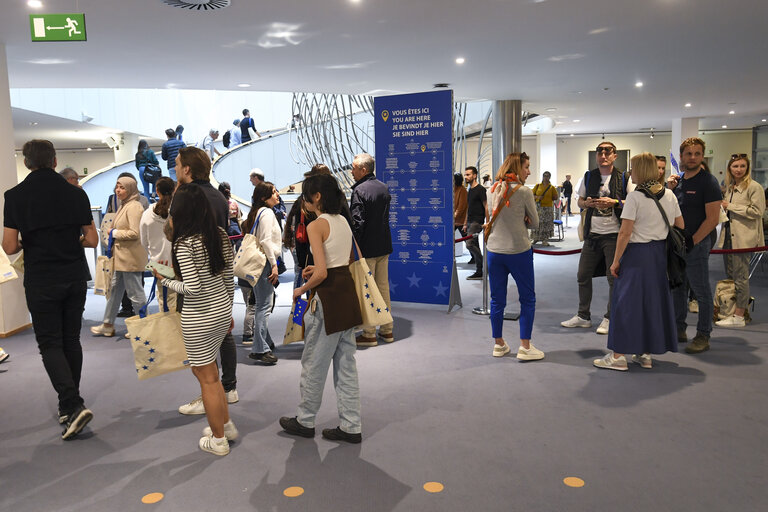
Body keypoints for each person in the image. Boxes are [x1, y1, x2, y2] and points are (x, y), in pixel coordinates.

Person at [3, 139, 99, 439]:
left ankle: (72, 402)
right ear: (55, 161)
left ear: (27, 162)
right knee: (71, 339)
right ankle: (69, 404)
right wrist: (72, 242)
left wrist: (30, 242)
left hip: (41, 278)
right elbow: (92, 240)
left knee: (49, 343)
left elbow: (9, 246)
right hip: (73, 275)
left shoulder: (15, 195)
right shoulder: (76, 194)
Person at [279, 173, 363, 443]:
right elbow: (342, 261)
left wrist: (301, 289)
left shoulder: (317, 225)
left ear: (317, 197)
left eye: (306, 194)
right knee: (346, 365)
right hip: (347, 295)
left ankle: (305, 420)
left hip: (326, 298)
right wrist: (319, 270)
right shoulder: (343, 223)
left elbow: (323, 273)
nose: (303, 200)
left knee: (314, 363)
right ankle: (351, 425)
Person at [154, 184, 236, 456]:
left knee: (208, 378)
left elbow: (193, 288)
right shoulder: (220, 235)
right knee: (210, 374)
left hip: (199, 317)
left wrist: (166, 281)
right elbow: (228, 278)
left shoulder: (185, 243)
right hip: (221, 311)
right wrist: (228, 310)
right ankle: (225, 425)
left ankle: (219, 439)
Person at [593, 153, 683, 371]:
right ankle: (645, 353)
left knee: (625, 303)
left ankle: (617, 356)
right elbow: (679, 224)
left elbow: (625, 233)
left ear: (641, 170)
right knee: (651, 303)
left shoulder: (635, 197)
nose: (630, 172)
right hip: (658, 256)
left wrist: (615, 262)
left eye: (633, 168)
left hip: (636, 255)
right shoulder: (669, 195)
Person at [173, 147, 240, 414]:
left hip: (197, 297)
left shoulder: (188, 201)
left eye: (178, 164)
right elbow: (226, 269)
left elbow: (191, 284)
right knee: (221, 342)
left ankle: (217, 417)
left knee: (205, 371)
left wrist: (167, 280)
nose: (176, 169)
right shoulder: (219, 197)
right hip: (219, 292)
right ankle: (228, 388)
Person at [561, 141, 629, 335]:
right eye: (600, 152)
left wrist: (614, 201)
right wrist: (588, 203)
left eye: (608, 151)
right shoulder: (589, 176)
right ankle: (583, 316)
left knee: (613, 278)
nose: (604, 155)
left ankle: (610, 317)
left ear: (615, 155)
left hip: (614, 235)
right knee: (583, 275)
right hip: (592, 234)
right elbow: (580, 201)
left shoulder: (624, 177)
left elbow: (632, 202)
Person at [485, 152, 544, 361]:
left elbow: (490, 217)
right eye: (526, 167)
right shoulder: (524, 192)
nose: (529, 171)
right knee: (527, 299)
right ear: (517, 168)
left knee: (496, 299)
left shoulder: (491, 190)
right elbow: (536, 223)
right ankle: (525, 347)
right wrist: (524, 219)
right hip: (519, 251)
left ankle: (498, 344)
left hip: (494, 251)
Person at [667, 138, 722, 353]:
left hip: (697, 244)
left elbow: (712, 219)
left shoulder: (708, 182)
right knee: (678, 288)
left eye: (697, 153)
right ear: (681, 156)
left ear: (702, 156)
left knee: (701, 291)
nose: (692, 157)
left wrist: (693, 241)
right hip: (677, 244)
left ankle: (703, 335)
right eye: (688, 154)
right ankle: (679, 328)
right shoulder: (678, 181)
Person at [90, 176, 148, 337]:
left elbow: (135, 232)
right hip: (122, 258)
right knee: (115, 291)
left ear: (130, 189)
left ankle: (144, 327)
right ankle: (108, 324)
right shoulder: (125, 205)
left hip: (130, 258)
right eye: (117, 187)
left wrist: (114, 232)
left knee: (136, 294)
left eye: (122, 187)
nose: (118, 190)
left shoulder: (134, 207)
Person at [715, 154, 765, 327]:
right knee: (731, 276)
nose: (739, 169)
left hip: (744, 238)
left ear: (747, 167)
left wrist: (731, 207)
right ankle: (733, 311)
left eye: (742, 166)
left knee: (741, 277)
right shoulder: (730, 187)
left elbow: (757, 211)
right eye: (735, 166)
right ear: (730, 168)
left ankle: (739, 316)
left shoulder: (754, 187)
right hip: (729, 235)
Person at [350, 153, 394, 346]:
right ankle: (387, 330)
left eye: (353, 168)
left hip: (366, 249)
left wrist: (354, 248)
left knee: (367, 289)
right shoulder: (384, 188)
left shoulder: (359, 191)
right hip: (384, 245)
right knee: (383, 288)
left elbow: (357, 223)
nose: (351, 171)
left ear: (363, 170)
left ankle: (369, 333)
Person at [242, 182, 282, 364]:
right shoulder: (266, 213)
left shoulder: (258, 213)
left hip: (261, 263)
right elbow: (266, 241)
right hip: (265, 263)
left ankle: (265, 341)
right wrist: (274, 265)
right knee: (264, 306)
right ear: (264, 197)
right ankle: (260, 348)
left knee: (262, 304)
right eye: (273, 192)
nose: (277, 194)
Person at [139, 176, 176, 312]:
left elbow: (143, 242)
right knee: (179, 301)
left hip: (159, 265)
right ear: (174, 190)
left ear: (157, 191)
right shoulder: (179, 211)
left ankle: (167, 331)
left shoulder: (147, 214)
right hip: (178, 263)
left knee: (163, 300)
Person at [463, 166, 487, 280]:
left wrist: (488, 223)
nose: (466, 177)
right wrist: (464, 223)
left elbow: (486, 206)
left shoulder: (481, 189)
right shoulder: (470, 190)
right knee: (475, 244)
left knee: (469, 244)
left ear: (475, 175)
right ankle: (479, 271)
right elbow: (469, 207)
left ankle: (484, 265)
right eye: (465, 174)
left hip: (477, 221)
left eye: (468, 174)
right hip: (470, 221)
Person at [531, 171, 560, 246]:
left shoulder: (552, 187)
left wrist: (553, 197)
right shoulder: (537, 186)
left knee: (546, 224)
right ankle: (535, 238)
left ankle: (545, 239)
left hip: (548, 208)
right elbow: (531, 195)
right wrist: (537, 197)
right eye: (544, 176)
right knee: (537, 223)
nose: (546, 178)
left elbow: (556, 197)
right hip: (538, 207)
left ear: (550, 177)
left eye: (547, 176)